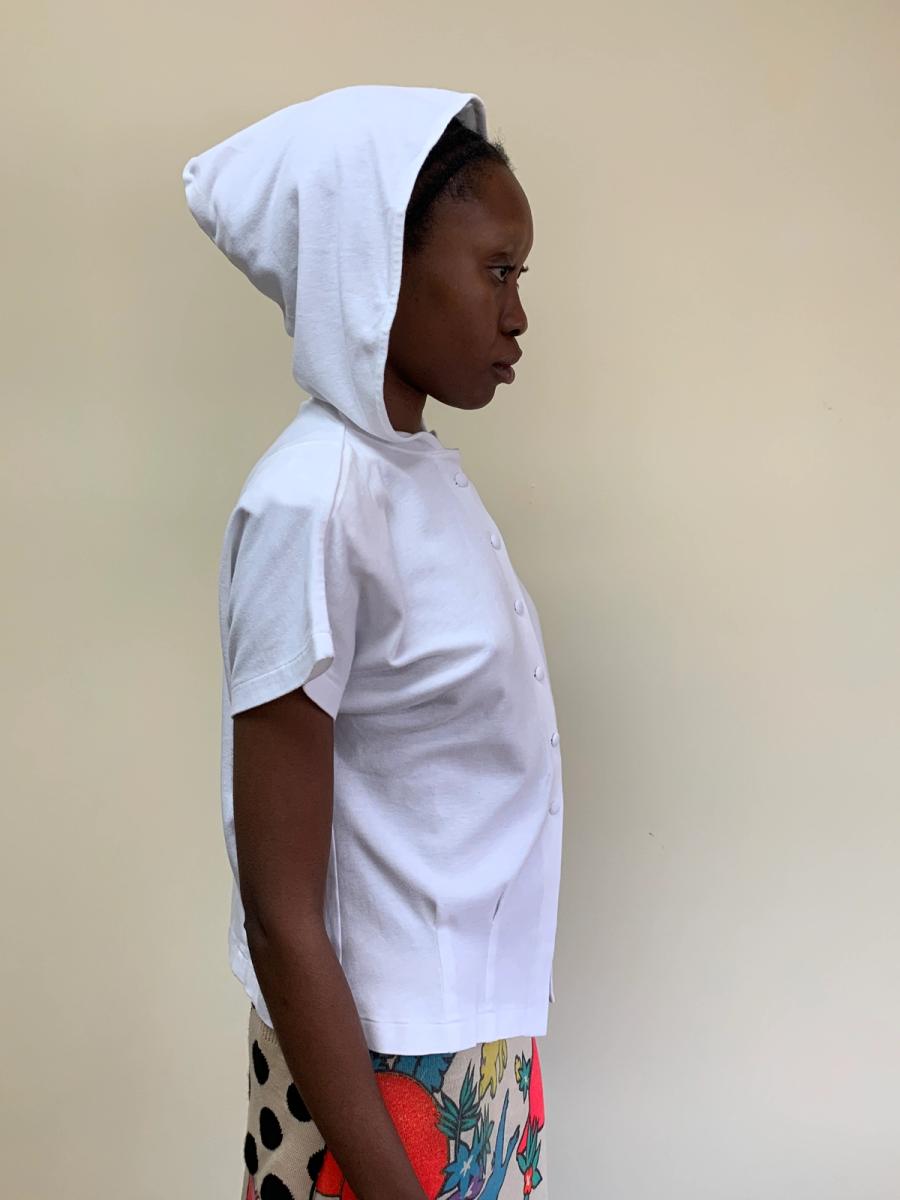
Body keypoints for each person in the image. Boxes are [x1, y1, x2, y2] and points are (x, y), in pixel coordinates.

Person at [182, 84, 564, 1200]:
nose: (519, 315)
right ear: (375, 269)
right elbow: (280, 911)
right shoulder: (312, 504)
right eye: (497, 271)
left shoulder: (416, 478)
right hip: (377, 1082)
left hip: (474, 1058)